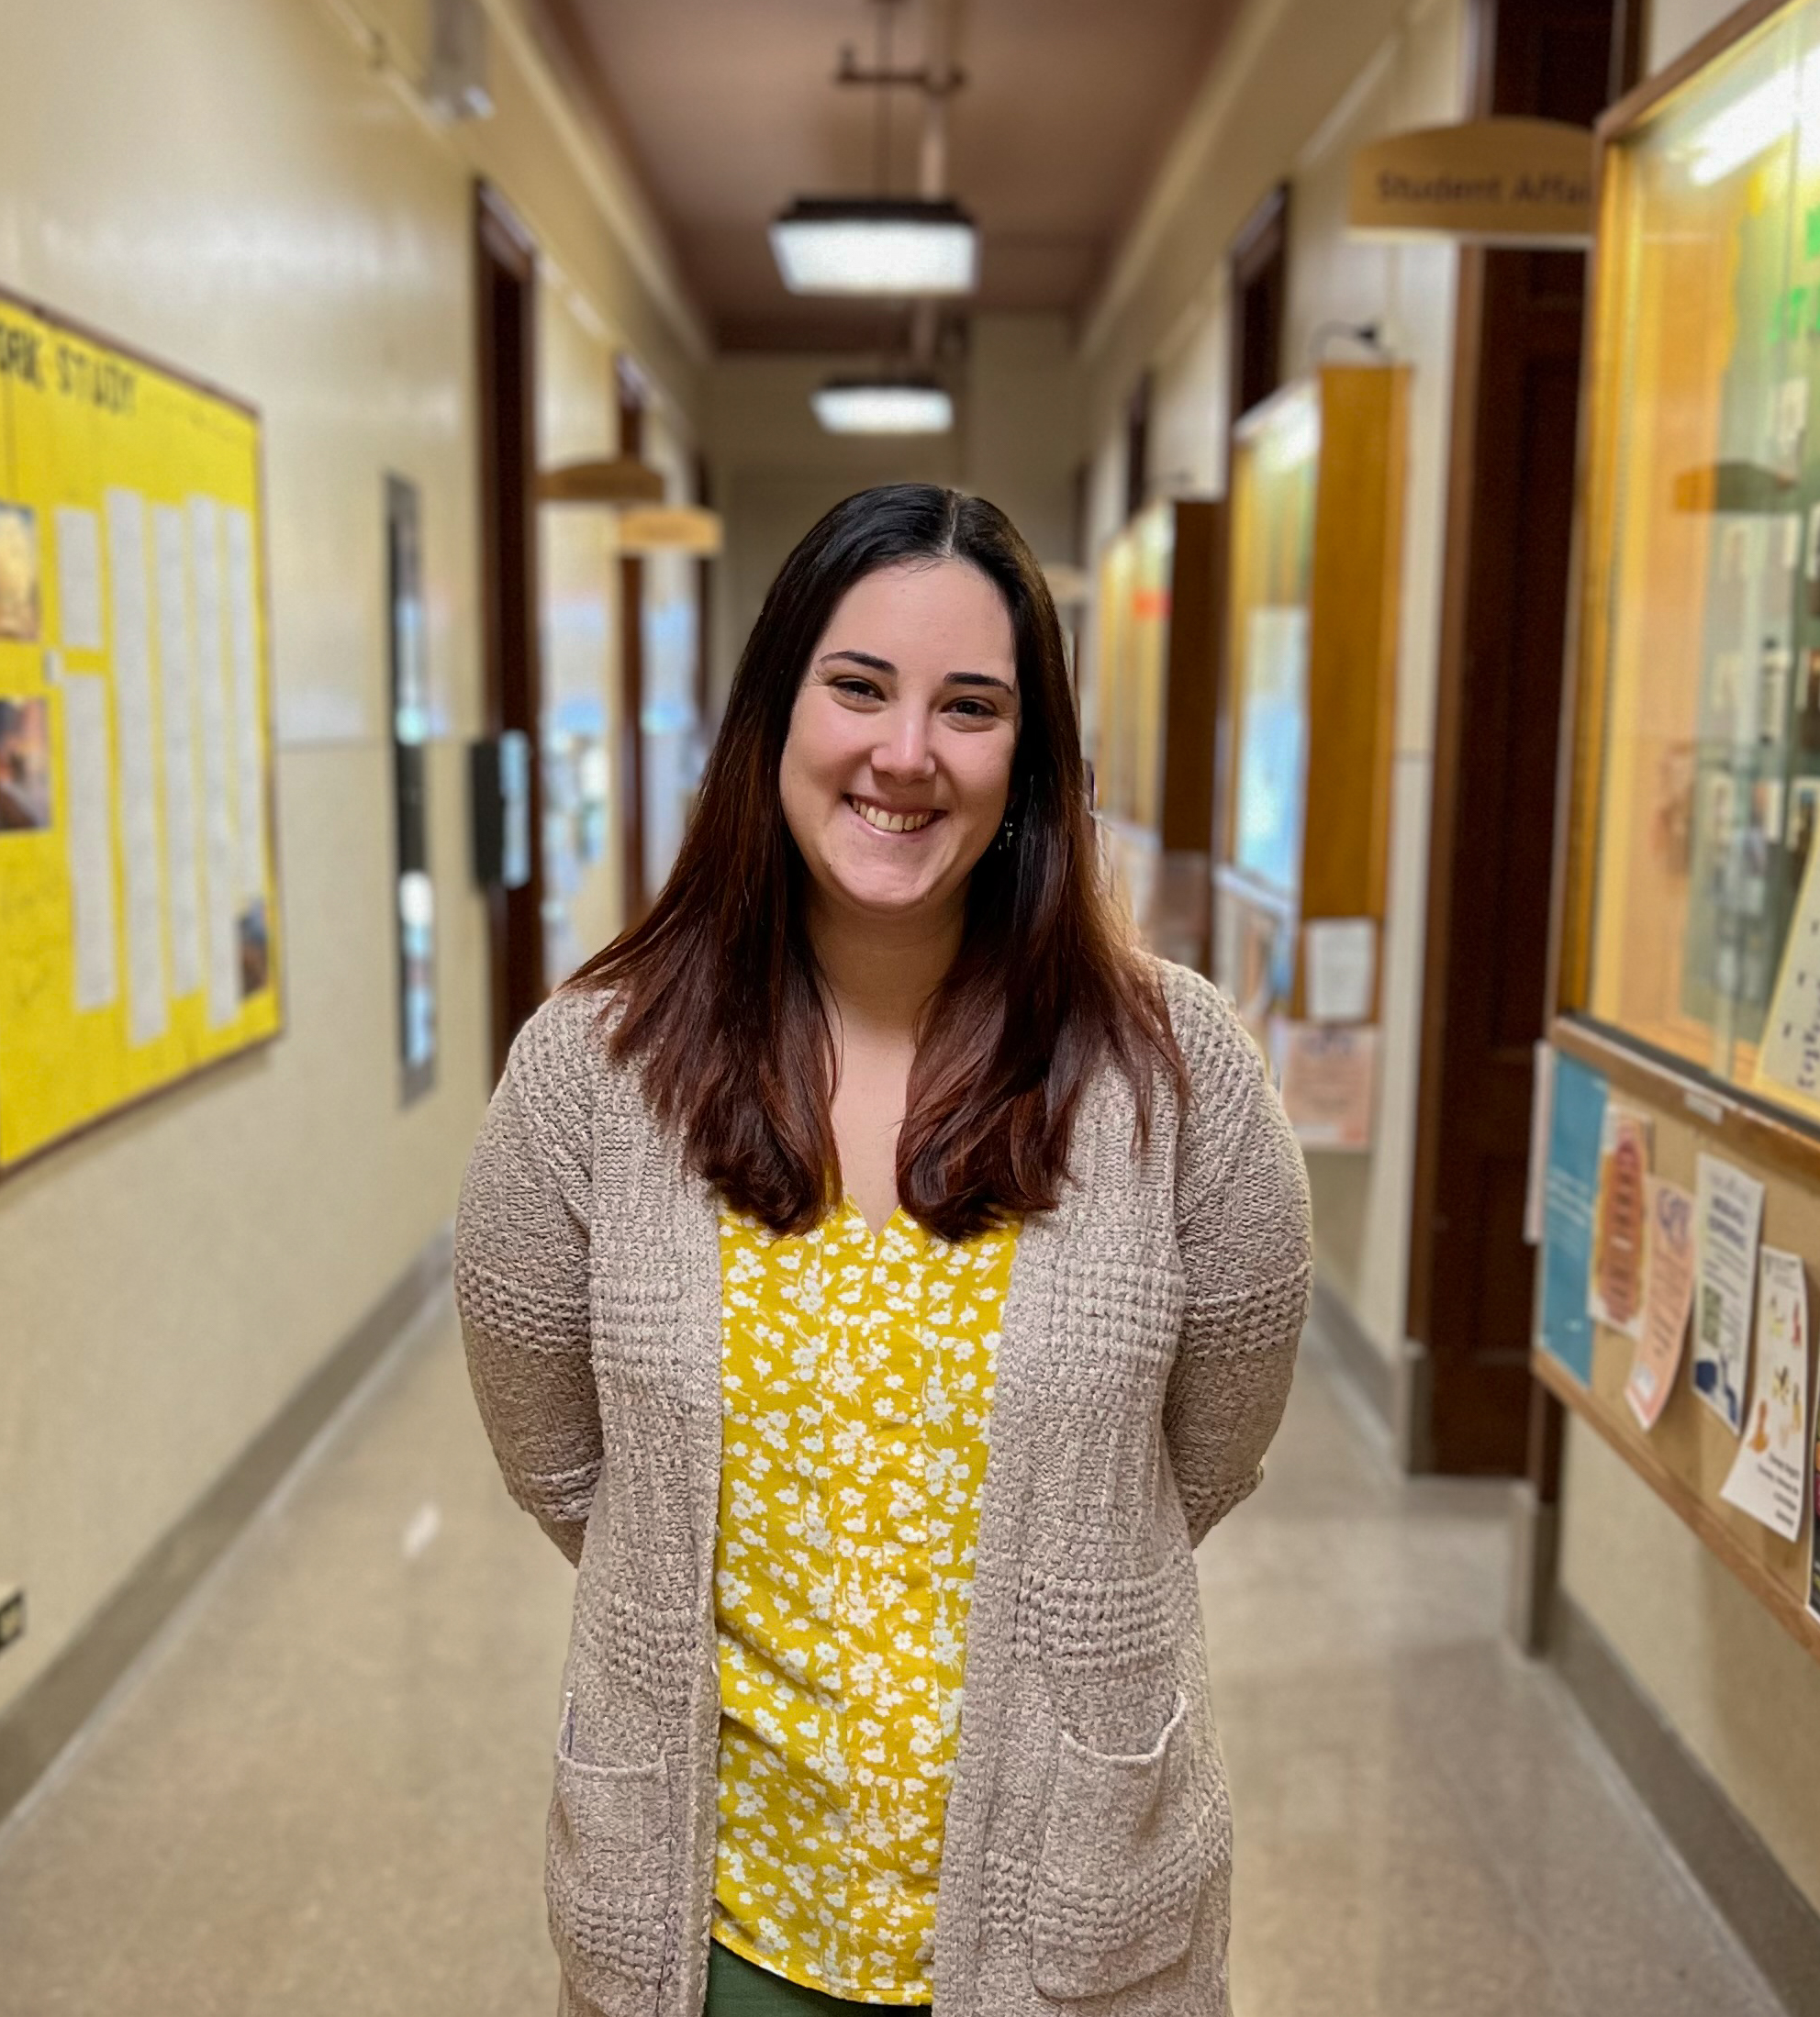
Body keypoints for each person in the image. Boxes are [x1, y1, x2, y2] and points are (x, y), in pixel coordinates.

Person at [457, 484, 1310, 2017]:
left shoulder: (1174, 1071)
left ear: (1032, 759)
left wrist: (1070, 1558)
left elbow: (1207, 1446)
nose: (906, 753)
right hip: (711, 1924)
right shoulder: (590, 1071)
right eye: (859, 686)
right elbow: (556, 1455)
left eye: (969, 707)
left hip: (1071, 1911)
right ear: (775, 709)